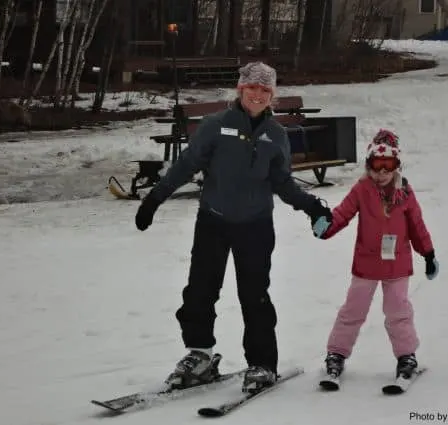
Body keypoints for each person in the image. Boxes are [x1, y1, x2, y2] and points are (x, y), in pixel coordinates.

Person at [134, 61, 332, 393]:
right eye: (251, 88)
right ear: (240, 90)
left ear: (272, 96)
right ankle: (200, 355)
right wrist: (155, 198)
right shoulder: (216, 125)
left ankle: (262, 363)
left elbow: (283, 182)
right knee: (199, 291)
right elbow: (186, 165)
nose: (257, 94)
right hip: (213, 220)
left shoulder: (275, 135)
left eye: (264, 90)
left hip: (255, 226)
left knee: (254, 296)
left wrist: (311, 206)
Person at [312, 129, 439, 381]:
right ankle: (336, 353)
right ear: (368, 165)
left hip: (397, 264)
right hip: (366, 263)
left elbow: (417, 225)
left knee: (398, 312)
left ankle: (406, 356)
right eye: (376, 165)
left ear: (396, 166)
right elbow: (342, 213)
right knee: (353, 310)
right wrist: (326, 226)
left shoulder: (405, 192)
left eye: (388, 165)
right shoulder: (361, 189)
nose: (381, 172)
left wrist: (428, 253)